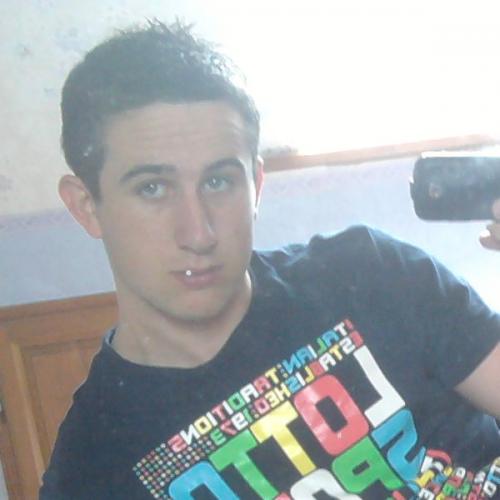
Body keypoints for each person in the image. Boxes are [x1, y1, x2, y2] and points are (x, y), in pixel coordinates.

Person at [40, 19, 500, 499]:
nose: (198, 233)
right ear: (86, 206)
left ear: (256, 186)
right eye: (152, 188)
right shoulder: (91, 469)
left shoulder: (370, 273)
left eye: (219, 181)